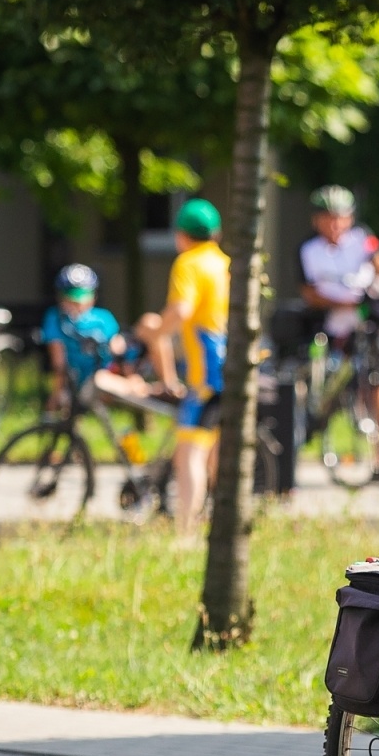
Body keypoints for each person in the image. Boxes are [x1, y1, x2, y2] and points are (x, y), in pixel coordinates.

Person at [146, 198, 229, 536]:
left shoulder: (188, 263)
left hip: (205, 376)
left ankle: (186, 533)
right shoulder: (225, 263)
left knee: (189, 454)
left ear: (181, 235)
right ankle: (220, 530)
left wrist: (154, 332)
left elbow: (181, 310)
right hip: (231, 370)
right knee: (217, 456)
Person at [298, 184, 379, 347]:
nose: (334, 224)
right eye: (328, 218)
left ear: (350, 218)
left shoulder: (362, 236)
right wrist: (346, 304)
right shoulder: (307, 249)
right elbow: (309, 293)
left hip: (368, 307)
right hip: (328, 315)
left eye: (340, 218)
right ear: (315, 220)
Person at [40, 264, 124, 409]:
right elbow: (58, 361)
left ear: (93, 297)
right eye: (70, 298)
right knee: (69, 400)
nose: (75, 304)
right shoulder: (56, 318)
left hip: (103, 376)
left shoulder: (104, 318)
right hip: (73, 381)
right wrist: (57, 393)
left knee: (105, 379)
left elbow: (119, 349)